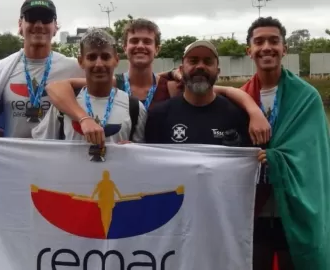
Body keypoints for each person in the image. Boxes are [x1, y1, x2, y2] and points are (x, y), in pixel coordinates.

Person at [44, 20, 270, 147]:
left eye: (147, 41)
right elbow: (56, 87)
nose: (140, 46)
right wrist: (83, 118)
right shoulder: (112, 82)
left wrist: (254, 111)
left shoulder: (171, 86)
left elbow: (218, 88)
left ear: (157, 49)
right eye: (134, 41)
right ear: (124, 50)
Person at [242, 17, 330, 270]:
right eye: (259, 42)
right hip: (253, 214)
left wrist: (277, 157)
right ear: (250, 51)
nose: (266, 47)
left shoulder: (307, 97)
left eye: (274, 41)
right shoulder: (243, 96)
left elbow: (314, 155)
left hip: (294, 212)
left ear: (284, 49)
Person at [0, 0, 84, 138]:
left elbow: (107, 93)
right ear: (20, 25)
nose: (39, 25)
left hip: (58, 157)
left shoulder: (75, 68)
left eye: (46, 19)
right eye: (31, 18)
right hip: (12, 157)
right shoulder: (2, 68)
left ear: (55, 27)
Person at [32, 28, 146, 144]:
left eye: (105, 57)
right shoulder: (63, 105)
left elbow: (143, 154)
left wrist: (133, 150)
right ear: (81, 61)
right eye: (91, 57)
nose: (99, 64)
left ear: (116, 60)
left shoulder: (135, 108)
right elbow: (41, 148)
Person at [145, 40, 252, 147]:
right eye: (193, 61)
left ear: (218, 71)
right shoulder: (158, 116)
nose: (200, 66)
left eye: (208, 61)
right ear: (181, 70)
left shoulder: (237, 116)